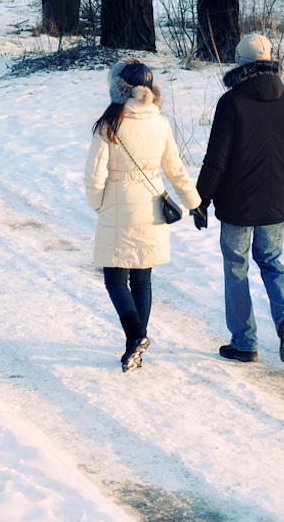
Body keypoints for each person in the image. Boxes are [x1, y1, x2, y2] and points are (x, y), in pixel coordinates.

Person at [192, 33, 284, 364]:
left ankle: (244, 343)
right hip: (274, 203)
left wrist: (200, 201)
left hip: (237, 206)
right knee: (272, 263)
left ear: (241, 64)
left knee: (237, 269)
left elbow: (216, 160)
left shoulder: (231, 102)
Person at [85, 58, 202, 372]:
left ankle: (135, 335)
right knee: (142, 278)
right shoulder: (160, 122)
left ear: (119, 88)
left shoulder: (110, 124)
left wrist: (98, 203)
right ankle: (135, 346)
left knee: (114, 278)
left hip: (117, 205)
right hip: (152, 204)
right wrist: (194, 202)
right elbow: (175, 169)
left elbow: (94, 175)